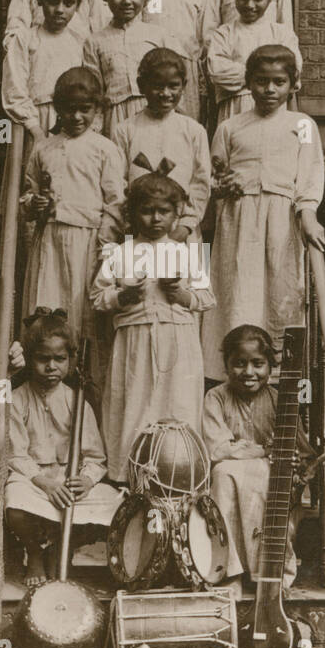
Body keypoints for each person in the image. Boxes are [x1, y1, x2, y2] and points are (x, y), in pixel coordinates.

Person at [201, 45, 325, 379]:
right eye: (261, 81)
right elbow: (213, 176)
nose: (269, 89)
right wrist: (221, 187)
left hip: (281, 221)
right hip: (238, 220)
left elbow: (309, 175)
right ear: (249, 83)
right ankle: (232, 371)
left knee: (282, 291)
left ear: (292, 84)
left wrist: (308, 213)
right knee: (238, 289)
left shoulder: (301, 124)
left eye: (278, 82)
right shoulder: (230, 126)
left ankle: (278, 376)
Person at [90, 173, 214, 483]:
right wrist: (123, 296)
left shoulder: (189, 252)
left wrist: (182, 295)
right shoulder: (119, 252)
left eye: (164, 211)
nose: (155, 218)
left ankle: (179, 475)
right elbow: (97, 297)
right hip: (134, 342)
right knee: (134, 403)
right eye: (147, 210)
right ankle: (127, 477)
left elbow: (207, 298)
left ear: (176, 215)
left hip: (178, 342)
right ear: (132, 213)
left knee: (178, 404)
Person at [5, 311, 119, 587]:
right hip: (33, 480)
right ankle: (33, 552)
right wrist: (43, 482)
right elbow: (14, 453)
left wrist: (87, 480)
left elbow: (95, 456)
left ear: (70, 360)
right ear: (30, 360)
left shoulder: (78, 401)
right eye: (43, 359)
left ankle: (59, 548)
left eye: (60, 359)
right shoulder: (16, 398)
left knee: (116, 506)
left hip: (67, 481)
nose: (52, 367)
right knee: (13, 501)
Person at [21, 68, 125, 359]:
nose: (77, 117)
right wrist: (33, 204)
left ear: (98, 109)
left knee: (82, 313)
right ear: (57, 109)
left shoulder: (105, 149)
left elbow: (115, 202)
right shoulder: (43, 148)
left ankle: (81, 382)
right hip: (50, 241)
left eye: (85, 109)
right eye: (70, 109)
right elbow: (28, 191)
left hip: (87, 243)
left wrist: (103, 249)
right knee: (47, 305)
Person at [203, 324, 313, 594]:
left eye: (258, 364)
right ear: (226, 365)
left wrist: (298, 463)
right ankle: (229, 573)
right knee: (225, 473)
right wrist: (264, 450)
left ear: (271, 366)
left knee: (265, 475)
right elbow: (218, 450)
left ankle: (270, 573)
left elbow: (304, 452)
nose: (249, 372)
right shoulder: (215, 397)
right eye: (239, 364)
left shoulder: (280, 399)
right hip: (227, 481)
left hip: (270, 479)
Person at [114, 48, 211, 242]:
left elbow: (201, 182)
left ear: (183, 86)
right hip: (139, 228)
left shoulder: (193, 130)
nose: (165, 93)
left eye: (173, 86)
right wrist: (131, 222)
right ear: (141, 86)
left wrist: (186, 225)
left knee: (181, 272)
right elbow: (117, 181)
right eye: (157, 86)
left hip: (181, 231)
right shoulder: (125, 130)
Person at [206, 0, 302, 125]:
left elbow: (293, 70)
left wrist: (248, 77)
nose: (250, 5)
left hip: (275, 106)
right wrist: (264, 76)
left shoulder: (281, 34)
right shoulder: (223, 34)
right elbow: (217, 71)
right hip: (235, 107)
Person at [1, 0, 85, 139]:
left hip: (72, 123)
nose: (60, 9)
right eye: (53, 2)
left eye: (68, 3)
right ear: (40, 0)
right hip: (34, 123)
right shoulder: (25, 39)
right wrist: (34, 129)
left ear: (77, 5)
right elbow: (14, 88)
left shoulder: (81, 42)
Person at [82, 0, 160, 137]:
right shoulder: (95, 41)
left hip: (153, 109)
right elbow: (95, 91)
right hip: (115, 115)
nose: (126, 1)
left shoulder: (157, 35)